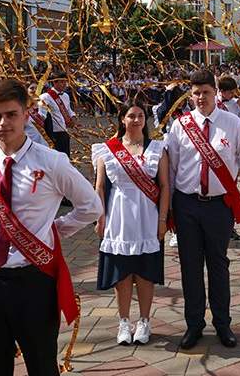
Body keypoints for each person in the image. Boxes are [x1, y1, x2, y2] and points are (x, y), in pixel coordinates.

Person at [0, 79, 102, 376]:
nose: (3, 123)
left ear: (27, 114)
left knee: (41, 364)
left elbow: (91, 206)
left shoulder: (52, 162)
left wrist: (55, 230)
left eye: (11, 114)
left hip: (33, 281)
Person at [165, 69, 240, 350]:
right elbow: (172, 168)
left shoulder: (231, 124)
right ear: (190, 95)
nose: (201, 98)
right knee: (190, 266)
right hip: (187, 205)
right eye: (196, 94)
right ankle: (194, 325)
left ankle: (222, 324)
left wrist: (225, 176)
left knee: (218, 264)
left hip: (219, 206)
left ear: (214, 93)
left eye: (206, 92)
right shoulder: (180, 125)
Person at [93, 101, 170, 346]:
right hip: (118, 217)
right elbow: (100, 186)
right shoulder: (107, 149)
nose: (136, 120)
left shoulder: (158, 149)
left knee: (145, 273)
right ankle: (124, 322)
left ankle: (145, 321)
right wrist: (100, 217)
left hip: (148, 216)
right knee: (123, 274)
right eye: (131, 116)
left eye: (140, 116)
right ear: (122, 119)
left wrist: (162, 220)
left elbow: (166, 185)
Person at [40, 72, 75, 157]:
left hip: (64, 131)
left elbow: (69, 110)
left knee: (66, 157)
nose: (64, 84)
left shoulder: (66, 95)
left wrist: (73, 117)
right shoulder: (45, 97)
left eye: (65, 82)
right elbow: (41, 115)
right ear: (55, 82)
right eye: (62, 82)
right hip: (53, 133)